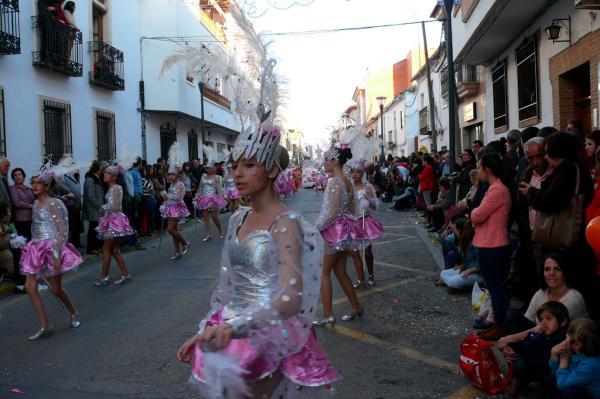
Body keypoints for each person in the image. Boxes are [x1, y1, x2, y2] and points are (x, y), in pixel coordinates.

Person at [177, 130, 341, 397]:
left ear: (273, 171)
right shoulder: (237, 219)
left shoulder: (285, 224)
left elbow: (290, 298)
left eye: (249, 165)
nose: (237, 174)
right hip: (232, 332)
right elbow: (228, 289)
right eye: (234, 166)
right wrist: (207, 331)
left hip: (269, 338)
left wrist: (234, 327)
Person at [20, 160, 82, 341]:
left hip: (52, 248)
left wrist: (56, 253)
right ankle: (45, 325)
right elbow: (35, 229)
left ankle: (73, 312)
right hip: (36, 248)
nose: (33, 186)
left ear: (46, 186)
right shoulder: (34, 205)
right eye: (32, 184)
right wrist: (27, 244)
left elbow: (62, 230)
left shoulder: (54, 203)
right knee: (29, 287)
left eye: (37, 183)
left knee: (56, 289)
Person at [313, 145, 364, 326]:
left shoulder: (335, 181)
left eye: (326, 159)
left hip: (334, 231)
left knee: (322, 272)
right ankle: (356, 306)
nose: (323, 163)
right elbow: (352, 210)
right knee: (340, 271)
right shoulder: (348, 181)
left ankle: (327, 314)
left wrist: (315, 228)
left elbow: (332, 212)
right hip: (345, 231)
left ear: (334, 161)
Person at [471, 152, 512, 341]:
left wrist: (473, 214)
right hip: (491, 243)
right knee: (494, 287)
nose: (478, 171)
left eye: (479, 167)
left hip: (492, 245)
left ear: (487, 170)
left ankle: (500, 326)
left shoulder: (497, 190)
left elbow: (478, 215)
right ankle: (496, 323)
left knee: (495, 288)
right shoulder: (494, 188)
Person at [498, 301, 570, 397]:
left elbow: (538, 360)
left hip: (549, 373)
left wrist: (535, 339)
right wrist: (530, 337)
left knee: (522, 363)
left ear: (563, 322)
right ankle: (516, 379)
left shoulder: (560, 339)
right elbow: (525, 347)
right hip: (539, 368)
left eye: (548, 318)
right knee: (521, 360)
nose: (543, 322)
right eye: (541, 320)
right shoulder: (543, 334)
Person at [93, 162, 135, 287]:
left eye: (107, 173)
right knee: (115, 250)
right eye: (104, 172)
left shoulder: (117, 188)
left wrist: (103, 207)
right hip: (111, 220)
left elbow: (116, 206)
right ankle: (125, 274)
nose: (104, 174)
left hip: (114, 221)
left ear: (114, 176)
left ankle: (104, 277)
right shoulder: (111, 188)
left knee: (106, 249)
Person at [347, 159, 383, 288]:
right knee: (354, 253)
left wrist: (368, 198)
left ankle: (371, 275)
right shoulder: (348, 186)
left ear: (362, 173)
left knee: (367, 253)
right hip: (352, 222)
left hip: (365, 222)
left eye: (357, 172)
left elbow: (375, 206)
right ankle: (360, 277)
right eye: (352, 172)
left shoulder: (367, 186)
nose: (355, 174)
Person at [549, 318, 600, 399]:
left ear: (577, 345)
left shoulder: (591, 364)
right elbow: (557, 374)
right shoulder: (577, 352)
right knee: (551, 379)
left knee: (569, 391)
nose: (565, 339)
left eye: (567, 336)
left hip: (593, 395)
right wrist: (553, 355)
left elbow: (561, 384)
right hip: (583, 388)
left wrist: (564, 358)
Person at [160, 143, 191, 260]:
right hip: (170, 207)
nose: (170, 176)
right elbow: (170, 197)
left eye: (172, 174)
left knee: (170, 229)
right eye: (169, 174)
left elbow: (179, 198)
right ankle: (177, 252)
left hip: (177, 208)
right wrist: (165, 201)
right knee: (174, 230)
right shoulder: (171, 184)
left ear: (177, 175)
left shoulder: (180, 184)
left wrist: (168, 196)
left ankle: (185, 243)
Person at [438, 218, 481, 289]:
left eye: (455, 230)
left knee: (453, 281)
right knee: (443, 273)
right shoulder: (465, 242)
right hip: (467, 269)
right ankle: (456, 284)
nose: (454, 232)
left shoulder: (474, 244)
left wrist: (469, 270)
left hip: (478, 274)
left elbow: (482, 264)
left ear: (460, 230)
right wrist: (463, 266)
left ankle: (458, 285)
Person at [9, 168, 34, 290]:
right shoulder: (13, 189)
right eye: (15, 175)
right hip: (20, 222)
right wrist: (30, 205)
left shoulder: (28, 188)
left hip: (30, 221)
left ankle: (28, 278)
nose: (18, 176)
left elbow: (35, 199)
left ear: (23, 176)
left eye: (20, 174)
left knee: (29, 250)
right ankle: (20, 280)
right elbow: (16, 203)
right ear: (13, 178)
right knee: (21, 251)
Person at [193, 147, 226, 241]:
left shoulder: (216, 177)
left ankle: (220, 230)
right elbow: (200, 188)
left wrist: (221, 198)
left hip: (213, 199)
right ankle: (208, 234)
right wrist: (196, 197)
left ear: (212, 169)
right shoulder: (203, 177)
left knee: (214, 217)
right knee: (205, 217)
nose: (207, 169)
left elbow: (219, 189)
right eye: (206, 168)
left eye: (209, 168)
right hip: (204, 198)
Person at [82, 161, 104, 255]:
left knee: (97, 229)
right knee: (93, 229)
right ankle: (91, 248)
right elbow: (91, 197)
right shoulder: (90, 180)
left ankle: (97, 246)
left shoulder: (96, 179)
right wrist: (99, 206)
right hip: (93, 209)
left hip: (97, 208)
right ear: (98, 170)